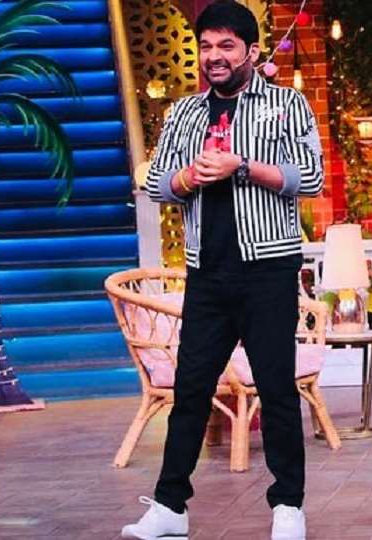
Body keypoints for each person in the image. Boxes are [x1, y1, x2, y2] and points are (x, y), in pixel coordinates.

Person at [122, 1, 323, 538]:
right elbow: (157, 184)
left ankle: (288, 507)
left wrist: (242, 167)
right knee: (191, 390)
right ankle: (170, 507)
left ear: (251, 51)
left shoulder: (286, 105)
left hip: (268, 268)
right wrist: (188, 177)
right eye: (206, 46)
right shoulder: (184, 113)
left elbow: (310, 177)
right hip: (207, 272)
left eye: (226, 46)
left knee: (276, 389)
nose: (214, 56)